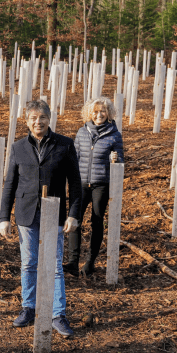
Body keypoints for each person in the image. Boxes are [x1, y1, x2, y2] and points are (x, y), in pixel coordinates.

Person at [0, 99, 81, 335]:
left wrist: (74, 215)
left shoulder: (64, 145)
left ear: (49, 119)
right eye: (33, 118)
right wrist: (4, 216)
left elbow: (75, 183)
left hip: (53, 212)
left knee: (54, 265)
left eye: (42, 117)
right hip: (26, 212)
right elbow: (9, 185)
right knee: (29, 262)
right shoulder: (18, 148)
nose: (38, 122)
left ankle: (58, 314)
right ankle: (28, 307)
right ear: (27, 121)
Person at [65, 97, 125, 277]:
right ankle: (72, 262)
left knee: (97, 221)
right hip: (81, 184)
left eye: (103, 111)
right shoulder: (82, 132)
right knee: (74, 220)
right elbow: (74, 158)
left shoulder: (114, 135)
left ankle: (90, 262)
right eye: (96, 111)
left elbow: (121, 160)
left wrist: (115, 160)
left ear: (109, 114)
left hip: (101, 184)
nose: (99, 115)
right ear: (89, 113)